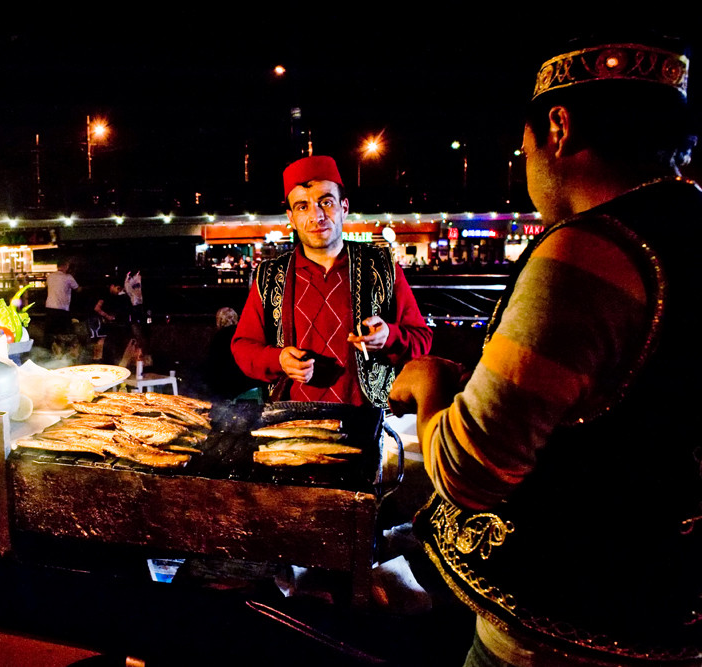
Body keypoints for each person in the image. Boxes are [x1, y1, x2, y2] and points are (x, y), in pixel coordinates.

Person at [388, 36, 701, 665]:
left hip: (569, 627)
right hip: (676, 610)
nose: (525, 161)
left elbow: (470, 473)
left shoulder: (588, 251)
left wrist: (429, 383)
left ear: (557, 127)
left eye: (523, 145)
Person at [231, 154, 432, 407]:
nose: (316, 216)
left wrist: (389, 336)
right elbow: (243, 347)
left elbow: (421, 339)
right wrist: (279, 359)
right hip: (293, 421)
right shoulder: (270, 276)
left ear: (344, 207)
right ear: (291, 218)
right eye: (302, 206)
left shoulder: (382, 267)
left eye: (325, 202)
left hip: (368, 419)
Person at [204, 307, 261, 400]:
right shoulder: (244, 334)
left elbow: (212, 366)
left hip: (226, 387)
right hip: (248, 385)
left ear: (219, 321)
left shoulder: (218, 338)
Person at [94, 278, 132, 367]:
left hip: (119, 325)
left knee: (118, 346)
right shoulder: (105, 295)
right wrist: (107, 316)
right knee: (110, 346)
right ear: (112, 286)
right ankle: (108, 364)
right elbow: (97, 308)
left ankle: (115, 365)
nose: (119, 291)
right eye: (117, 288)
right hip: (110, 326)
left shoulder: (121, 297)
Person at [44, 259, 80, 347]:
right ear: (66, 266)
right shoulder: (68, 277)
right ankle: (64, 350)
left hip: (49, 307)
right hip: (62, 308)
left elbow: (46, 287)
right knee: (65, 331)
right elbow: (78, 289)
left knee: (49, 331)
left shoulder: (50, 276)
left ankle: (46, 349)